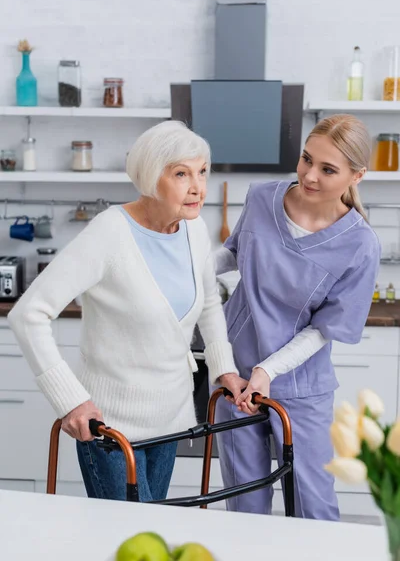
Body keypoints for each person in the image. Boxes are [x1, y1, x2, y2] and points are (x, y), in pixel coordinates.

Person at [8, 120, 246, 503]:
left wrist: (224, 368)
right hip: (110, 429)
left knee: (151, 535)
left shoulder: (194, 229)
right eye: (181, 174)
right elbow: (28, 314)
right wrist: (70, 400)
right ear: (152, 177)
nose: (197, 186)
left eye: (202, 172)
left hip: (170, 419)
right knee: (128, 541)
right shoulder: (110, 233)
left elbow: (207, 302)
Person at [214, 114, 380, 520]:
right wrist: (185, 268)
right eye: (307, 159)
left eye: (328, 169)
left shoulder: (359, 244)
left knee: (313, 504)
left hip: (301, 386)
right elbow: (231, 255)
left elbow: (324, 331)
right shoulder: (260, 198)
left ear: (356, 176)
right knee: (245, 502)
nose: (309, 175)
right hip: (237, 377)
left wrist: (268, 370)